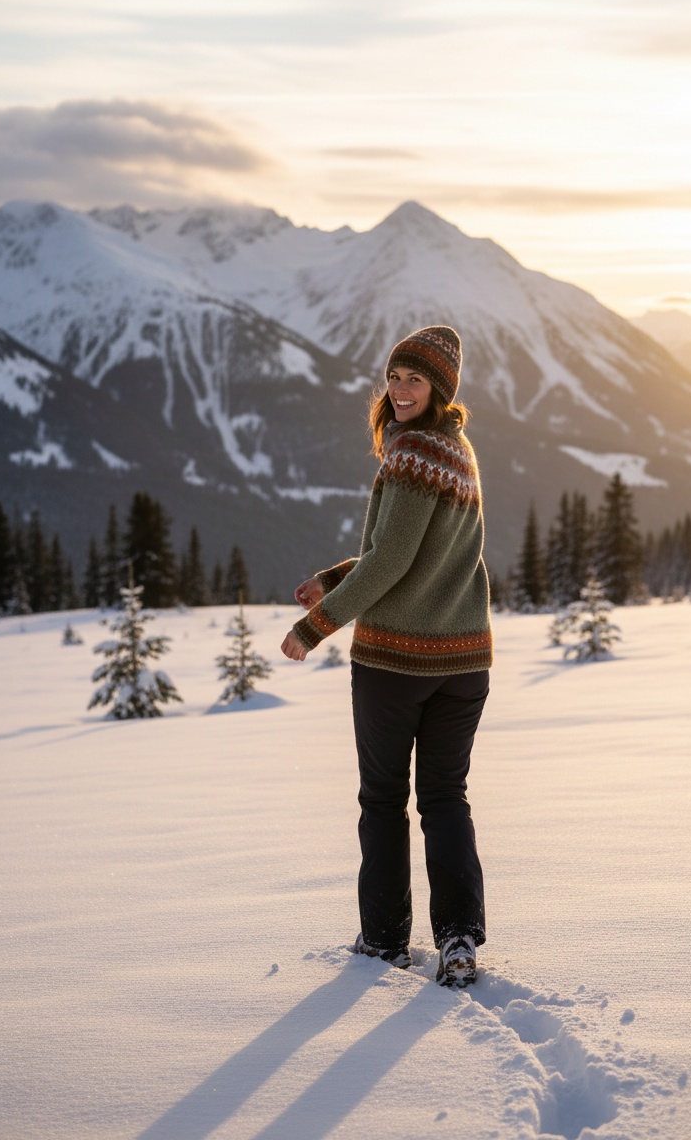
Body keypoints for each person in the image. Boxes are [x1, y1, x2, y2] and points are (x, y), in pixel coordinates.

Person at [280, 325, 493, 987]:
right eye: (395, 377)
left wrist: (314, 626)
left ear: (439, 390)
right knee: (445, 800)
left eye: (415, 380)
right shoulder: (456, 449)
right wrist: (339, 578)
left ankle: (384, 941)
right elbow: (414, 552)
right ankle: (458, 937)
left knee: (382, 801)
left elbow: (394, 561)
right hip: (464, 663)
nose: (400, 390)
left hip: (396, 665)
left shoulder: (408, 457)